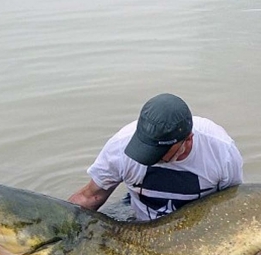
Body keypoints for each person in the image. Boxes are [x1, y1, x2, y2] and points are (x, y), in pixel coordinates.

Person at [69, 93, 244, 221]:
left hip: (197, 229)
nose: (150, 158)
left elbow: (233, 204)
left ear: (188, 140)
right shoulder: (120, 146)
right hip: (141, 225)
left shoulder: (221, 151)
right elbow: (90, 196)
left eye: (159, 153)